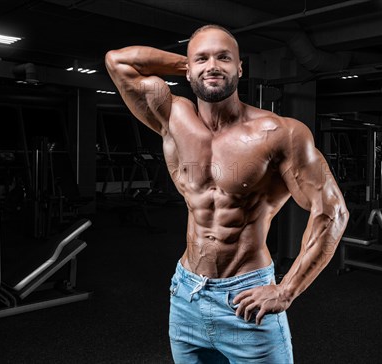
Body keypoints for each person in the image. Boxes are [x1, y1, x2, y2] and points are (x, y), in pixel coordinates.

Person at [105, 24, 349, 364]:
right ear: (188, 68)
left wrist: (286, 289)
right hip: (186, 296)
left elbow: (332, 212)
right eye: (202, 59)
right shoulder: (172, 117)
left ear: (240, 67)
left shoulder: (281, 133)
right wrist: (193, 65)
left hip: (247, 300)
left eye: (224, 58)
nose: (213, 66)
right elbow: (118, 62)